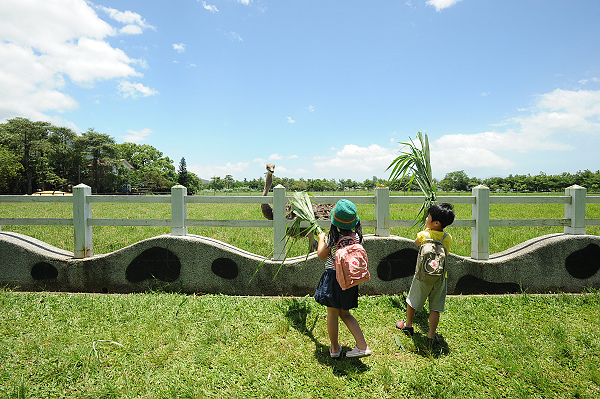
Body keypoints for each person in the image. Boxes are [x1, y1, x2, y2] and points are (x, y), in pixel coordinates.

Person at [314, 199, 371, 359]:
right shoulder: (358, 238)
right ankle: (362, 345)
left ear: (334, 222)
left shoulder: (331, 238)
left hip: (333, 280)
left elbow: (321, 255)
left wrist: (321, 239)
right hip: (350, 280)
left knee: (332, 314)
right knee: (345, 313)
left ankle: (334, 348)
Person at [396, 203, 455, 344]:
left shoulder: (424, 234)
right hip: (440, 278)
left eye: (428, 217)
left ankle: (408, 325)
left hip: (422, 276)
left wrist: (426, 231)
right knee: (435, 308)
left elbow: (416, 243)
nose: (426, 219)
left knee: (412, 301)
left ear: (435, 222)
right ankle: (431, 334)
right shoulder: (448, 238)